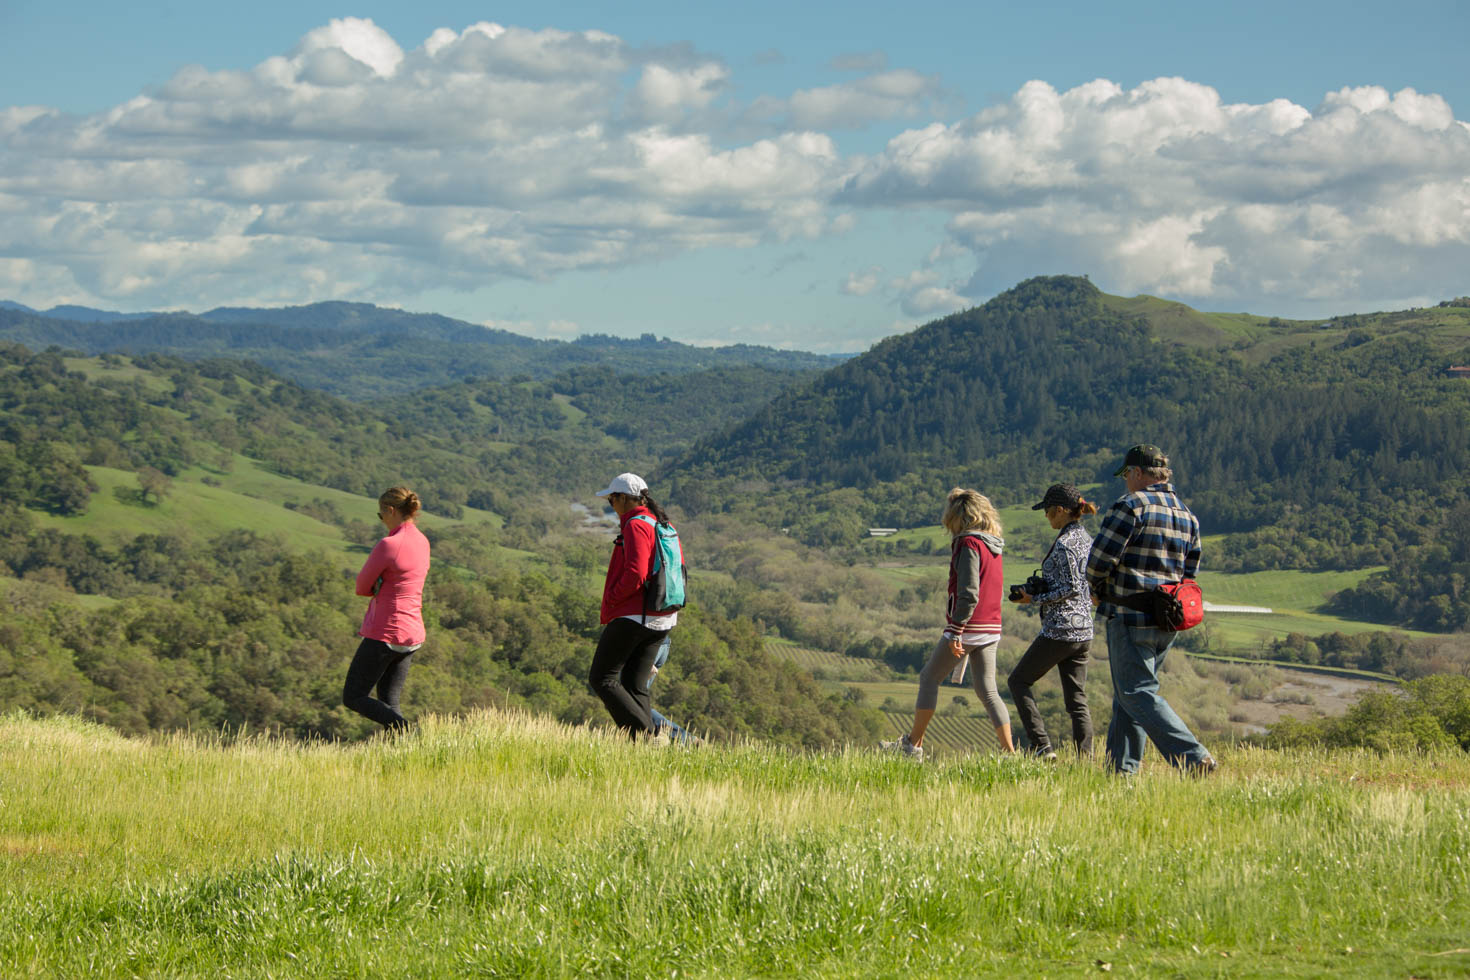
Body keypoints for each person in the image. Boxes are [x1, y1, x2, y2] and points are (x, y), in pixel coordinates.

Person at [1087, 445, 1216, 775]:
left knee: (1135, 692)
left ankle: (1192, 757)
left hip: (1129, 616)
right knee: (1128, 696)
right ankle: (1121, 774)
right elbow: (1190, 574)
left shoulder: (1130, 507)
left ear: (1138, 473)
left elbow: (1099, 560)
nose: (1127, 482)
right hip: (1167, 620)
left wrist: (1096, 589)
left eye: (1128, 475)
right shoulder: (1188, 516)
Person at [883, 487, 1014, 761]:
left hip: (968, 626)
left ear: (957, 516)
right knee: (988, 691)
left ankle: (912, 746)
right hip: (991, 626)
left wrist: (956, 630)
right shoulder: (994, 544)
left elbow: (968, 592)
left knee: (929, 678)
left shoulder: (968, 544)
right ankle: (1010, 755)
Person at [1007, 483, 1097, 759]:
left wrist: (1032, 599)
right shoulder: (1086, 539)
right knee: (1077, 701)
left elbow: (1070, 587)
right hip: (1084, 630)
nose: (1046, 516)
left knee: (1018, 682)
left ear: (1060, 510)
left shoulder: (1066, 544)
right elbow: (1083, 584)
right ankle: (1086, 759)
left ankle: (1042, 747)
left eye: (1047, 511)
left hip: (1061, 630)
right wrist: (1041, 587)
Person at [589, 472, 681, 740]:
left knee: (602, 678)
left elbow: (636, 573)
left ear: (623, 499)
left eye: (611, 500)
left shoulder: (636, 525)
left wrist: (615, 597)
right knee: (634, 685)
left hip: (635, 616)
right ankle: (648, 743)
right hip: (662, 618)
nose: (612, 506)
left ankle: (646, 737)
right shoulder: (659, 522)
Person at [343, 486, 431, 732]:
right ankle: (403, 753)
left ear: (390, 511)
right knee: (389, 701)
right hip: (413, 632)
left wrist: (378, 587)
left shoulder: (389, 544)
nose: (382, 521)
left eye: (381, 515)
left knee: (353, 696)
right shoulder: (422, 541)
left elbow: (361, 586)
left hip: (386, 631)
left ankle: (408, 730)